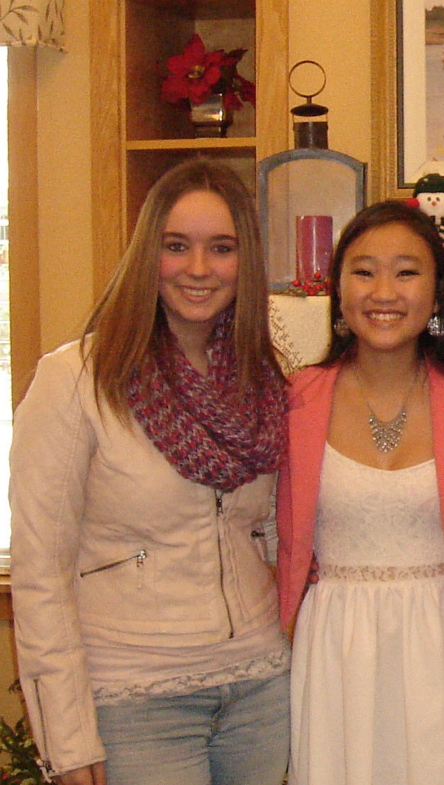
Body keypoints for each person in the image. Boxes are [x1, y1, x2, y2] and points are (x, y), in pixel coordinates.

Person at [10, 160, 291, 785]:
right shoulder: (76, 380)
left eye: (221, 248)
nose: (198, 269)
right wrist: (67, 736)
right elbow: (40, 571)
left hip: (259, 690)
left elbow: (271, 533)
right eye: (176, 247)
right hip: (133, 698)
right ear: (146, 255)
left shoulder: (262, 380)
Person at [276, 201, 444, 785]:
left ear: (435, 296)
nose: (384, 291)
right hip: (333, 651)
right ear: (338, 290)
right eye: (363, 270)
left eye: (406, 271)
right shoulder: (293, 401)